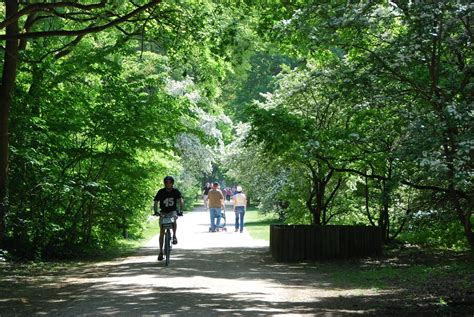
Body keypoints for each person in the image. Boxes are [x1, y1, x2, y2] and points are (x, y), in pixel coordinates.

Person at [153, 176, 184, 261]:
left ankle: (174, 236)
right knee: (161, 232)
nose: (168, 184)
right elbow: (156, 201)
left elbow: (180, 201)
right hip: (163, 212)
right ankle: (160, 252)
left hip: (172, 211)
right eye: (166, 182)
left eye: (170, 182)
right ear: (164, 183)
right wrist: (156, 211)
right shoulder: (161, 191)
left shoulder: (175, 191)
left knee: (174, 218)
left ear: (172, 183)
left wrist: (180, 210)